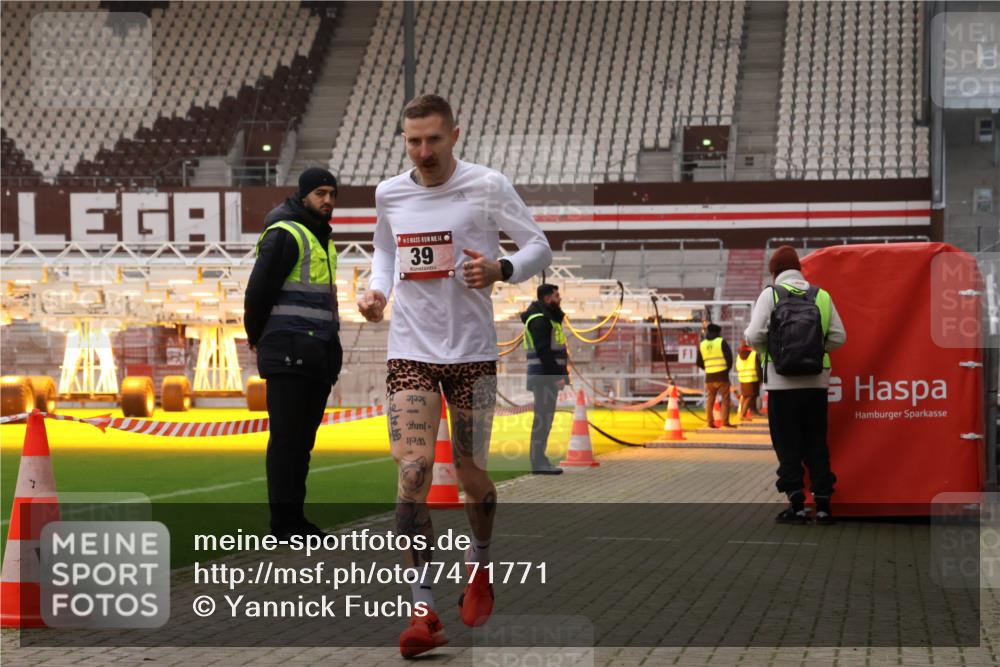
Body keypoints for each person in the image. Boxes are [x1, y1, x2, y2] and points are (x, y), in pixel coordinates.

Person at [356, 94, 552, 658]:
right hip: (410, 350)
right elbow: (386, 255)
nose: (423, 151)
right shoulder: (389, 193)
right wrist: (376, 293)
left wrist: (501, 268)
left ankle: (480, 565)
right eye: (413, 141)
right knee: (413, 470)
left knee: (472, 476)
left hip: (472, 352)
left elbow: (539, 245)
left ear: (454, 135)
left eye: (433, 140)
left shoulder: (488, 185)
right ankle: (422, 608)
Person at [244, 168, 343, 539]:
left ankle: (295, 521)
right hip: (288, 352)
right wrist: (257, 336)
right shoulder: (286, 234)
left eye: (332, 194)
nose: (328, 201)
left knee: (302, 444)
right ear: (303, 194)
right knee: (288, 441)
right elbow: (258, 292)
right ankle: (283, 524)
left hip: (315, 354)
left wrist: (332, 354)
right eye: (320, 193)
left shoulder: (322, 239)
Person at [744, 245, 846, 525]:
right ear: (799, 270)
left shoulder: (771, 294)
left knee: (787, 445)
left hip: (781, 384)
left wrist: (775, 352)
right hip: (816, 383)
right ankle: (823, 505)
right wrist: (814, 349)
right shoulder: (821, 295)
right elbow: (839, 337)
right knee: (816, 442)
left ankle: (796, 504)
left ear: (774, 272)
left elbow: (753, 336)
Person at [520, 283, 568, 475]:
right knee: (542, 420)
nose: (560, 299)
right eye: (557, 296)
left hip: (544, 377)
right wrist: (556, 376)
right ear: (547, 298)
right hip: (544, 378)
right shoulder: (540, 320)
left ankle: (540, 460)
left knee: (545, 419)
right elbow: (544, 352)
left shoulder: (546, 318)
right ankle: (538, 462)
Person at [697, 322, 735, 428]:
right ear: (718, 332)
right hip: (722, 375)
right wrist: (726, 370)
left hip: (709, 377)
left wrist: (708, 368)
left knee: (710, 400)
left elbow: (698, 362)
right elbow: (729, 358)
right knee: (725, 399)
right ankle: (725, 422)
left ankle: (710, 422)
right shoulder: (721, 342)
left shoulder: (702, 344)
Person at [735, 340, 763, 420]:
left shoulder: (739, 356)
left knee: (746, 396)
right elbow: (758, 368)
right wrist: (760, 378)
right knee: (750, 396)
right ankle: (743, 414)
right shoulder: (753, 354)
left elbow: (737, 367)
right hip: (752, 378)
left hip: (743, 379)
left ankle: (753, 411)